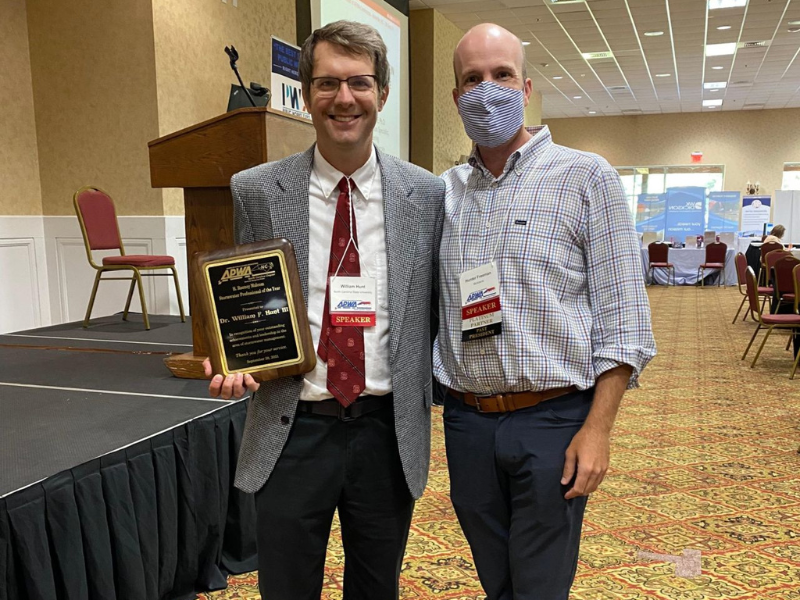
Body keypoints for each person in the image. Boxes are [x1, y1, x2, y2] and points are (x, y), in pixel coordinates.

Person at [205, 20, 444, 600]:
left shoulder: (427, 194)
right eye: (327, 83)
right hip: (293, 431)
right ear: (305, 95)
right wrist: (238, 360)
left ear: (382, 95)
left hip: (386, 434)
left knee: (375, 588)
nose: (343, 99)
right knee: (285, 589)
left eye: (359, 83)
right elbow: (247, 300)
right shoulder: (256, 189)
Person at [433, 23, 656, 600]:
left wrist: (598, 429)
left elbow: (625, 319)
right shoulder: (445, 192)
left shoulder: (586, 178)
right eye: (472, 80)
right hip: (467, 421)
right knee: (496, 580)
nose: (487, 90)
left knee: (539, 585)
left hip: (553, 419)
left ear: (526, 87)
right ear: (456, 97)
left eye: (501, 75)